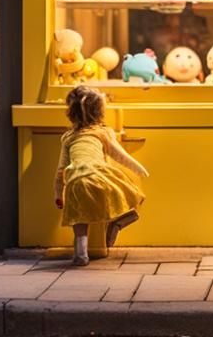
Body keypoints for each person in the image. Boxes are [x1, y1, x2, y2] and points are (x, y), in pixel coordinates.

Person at [54, 85, 150, 266]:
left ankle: (81, 255)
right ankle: (120, 221)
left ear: (70, 112)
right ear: (99, 112)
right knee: (129, 195)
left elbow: (60, 170)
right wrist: (138, 168)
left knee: (79, 220)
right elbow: (119, 155)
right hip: (99, 174)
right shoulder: (103, 132)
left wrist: (58, 195)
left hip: (75, 180)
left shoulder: (68, 137)